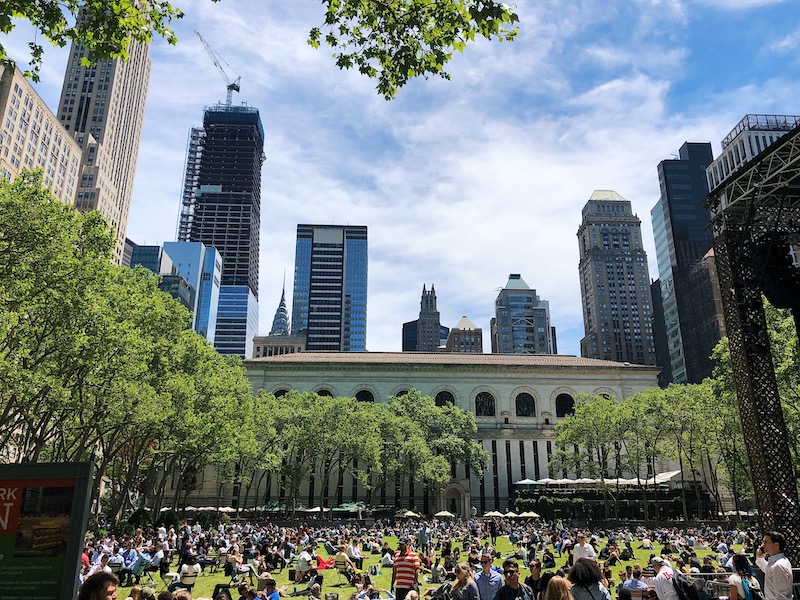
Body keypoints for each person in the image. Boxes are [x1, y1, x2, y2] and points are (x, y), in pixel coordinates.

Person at [755, 531, 792, 600]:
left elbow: (782, 596)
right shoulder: (775, 563)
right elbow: (767, 569)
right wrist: (760, 558)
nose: (763, 545)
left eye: (766, 542)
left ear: (776, 545)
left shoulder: (779, 565)